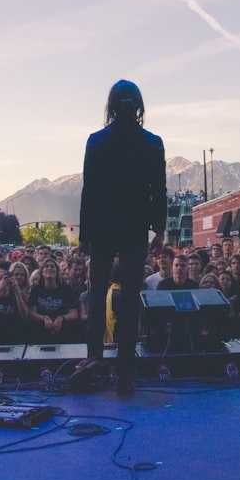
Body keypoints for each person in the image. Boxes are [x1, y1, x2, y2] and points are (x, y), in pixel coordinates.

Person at [78, 80, 166, 395]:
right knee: (130, 299)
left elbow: (89, 191)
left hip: (102, 227)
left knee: (96, 293)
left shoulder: (96, 141)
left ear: (111, 106)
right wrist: (161, 229)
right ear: (139, 106)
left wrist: (84, 236)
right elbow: (160, 190)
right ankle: (125, 373)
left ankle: (93, 360)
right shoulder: (152, 142)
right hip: (135, 229)